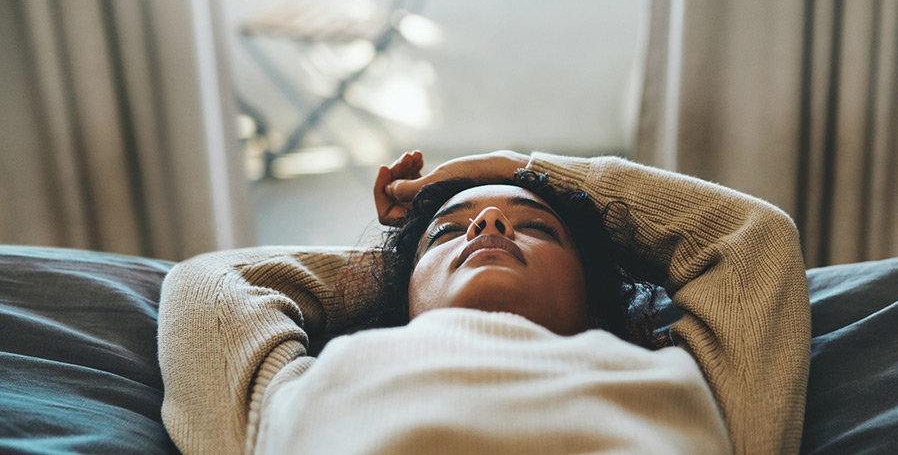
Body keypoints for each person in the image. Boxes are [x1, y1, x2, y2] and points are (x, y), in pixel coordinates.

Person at [158, 150, 811, 455]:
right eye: (453, 230)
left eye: (534, 225)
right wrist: (391, 268)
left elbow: (754, 239)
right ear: (404, 295)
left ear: (592, 296)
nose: (489, 225)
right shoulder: (319, 377)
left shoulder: (676, 372)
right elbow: (212, 284)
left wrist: (515, 167)